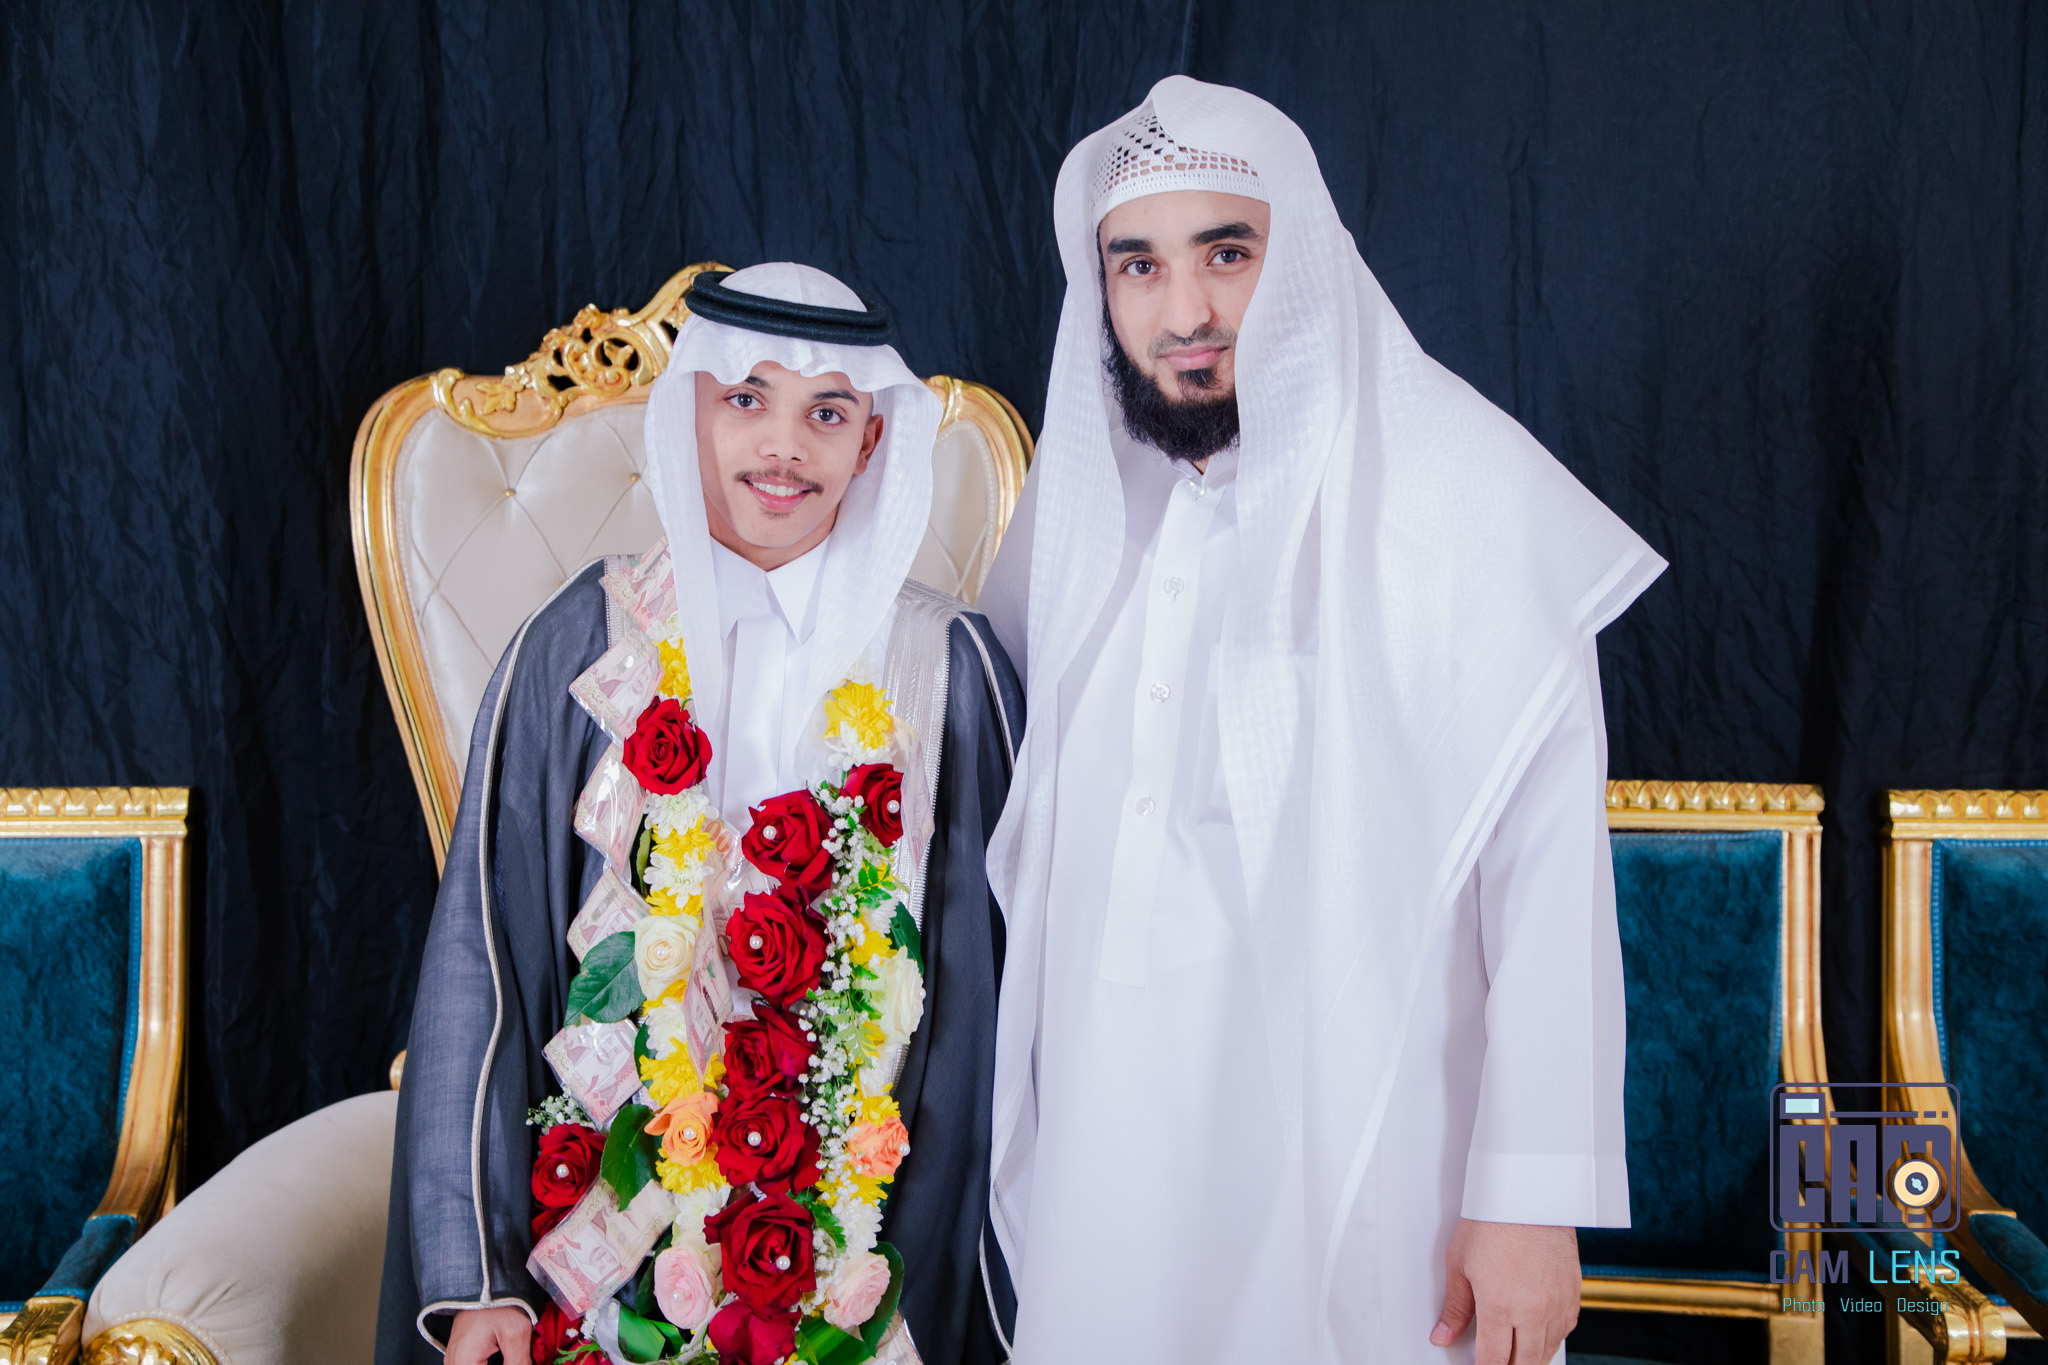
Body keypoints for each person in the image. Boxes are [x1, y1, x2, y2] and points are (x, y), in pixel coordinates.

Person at [977, 78, 1665, 1364]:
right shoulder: (1072, 531)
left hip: (1367, 1163)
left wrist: (1527, 1198)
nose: (1183, 312)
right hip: (1109, 1166)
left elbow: (1545, 884)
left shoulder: (1460, 495)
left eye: (1225, 253)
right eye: (1138, 265)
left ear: (1300, 256)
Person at [377, 264, 1020, 1365]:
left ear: (871, 440)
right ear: (687, 414)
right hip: (606, 1263)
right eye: (746, 399)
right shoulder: (584, 644)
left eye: (827, 412)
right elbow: (483, 958)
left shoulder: (943, 669)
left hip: (876, 1273)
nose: (784, 446)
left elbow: (991, 1029)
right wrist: (479, 1277)